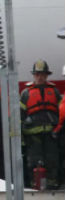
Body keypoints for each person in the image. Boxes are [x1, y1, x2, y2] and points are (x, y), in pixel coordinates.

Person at [20, 60, 62, 190]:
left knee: (52, 159)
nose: (40, 77)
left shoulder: (54, 92)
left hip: (51, 134)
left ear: (47, 76)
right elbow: (20, 116)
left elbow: (61, 112)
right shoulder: (26, 93)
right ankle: (35, 185)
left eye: (43, 74)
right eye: (37, 74)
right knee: (33, 160)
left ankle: (52, 184)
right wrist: (20, 137)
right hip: (33, 136)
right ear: (33, 75)